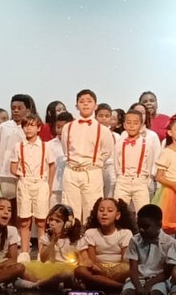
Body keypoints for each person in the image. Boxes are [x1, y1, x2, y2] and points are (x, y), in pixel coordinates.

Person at [61, 89, 114, 226]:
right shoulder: (68, 127)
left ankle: (89, 237)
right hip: (72, 171)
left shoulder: (103, 130)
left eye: (89, 101)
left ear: (95, 106)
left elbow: (106, 152)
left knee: (91, 208)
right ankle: (73, 237)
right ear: (76, 105)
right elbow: (65, 149)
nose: (85, 104)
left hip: (91, 172)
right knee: (71, 210)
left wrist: (93, 163)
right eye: (82, 101)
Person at [13, 115, 56, 254]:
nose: (28, 128)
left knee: (41, 221)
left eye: (32, 125)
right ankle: (24, 252)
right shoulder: (18, 146)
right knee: (24, 221)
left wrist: (49, 185)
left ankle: (41, 253)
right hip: (25, 183)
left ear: (38, 128)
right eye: (26, 126)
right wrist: (21, 175)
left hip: (41, 183)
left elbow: (52, 166)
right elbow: (13, 167)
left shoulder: (46, 146)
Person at [74, 197, 134, 292]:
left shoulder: (125, 233)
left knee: (131, 269)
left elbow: (125, 261)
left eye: (109, 210)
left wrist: (112, 270)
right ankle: (119, 287)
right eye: (101, 210)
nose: (104, 213)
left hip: (119, 270)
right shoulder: (91, 233)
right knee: (80, 270)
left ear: (117, 215)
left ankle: (103, 283)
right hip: (98, 269)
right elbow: (92, 261)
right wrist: (99, 269)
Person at [23, 203, 81, 289]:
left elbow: (81, 260)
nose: (52, 223)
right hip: (51, 268)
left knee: (66, 273)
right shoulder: (47, 238)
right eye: (51, 219)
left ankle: (38, 285)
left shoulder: (75, 240)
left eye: (57, 221)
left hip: (68, 270)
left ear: (67, 224)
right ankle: (46, 284)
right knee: (22, 268)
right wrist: (52, 242)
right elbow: (43, 259)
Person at [113, 109, 157, 216]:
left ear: (141, 124)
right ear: (124, 125)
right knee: (118, 212)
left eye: (136, 123)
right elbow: (116, 164)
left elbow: (150, 163)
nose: (132, 126)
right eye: (129, 123)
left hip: (140, 182)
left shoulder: (147, 144)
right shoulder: (119, 144)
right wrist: (120, 177)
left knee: (144, 213)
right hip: (123, 182)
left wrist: (145, 180)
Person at [0, 94, 37, 202]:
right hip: (5, 172)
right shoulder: (4, 126)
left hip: (24, 173)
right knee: (6, 201)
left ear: (28, 110)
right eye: (13, 108)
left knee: (23, 202)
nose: (16, 111)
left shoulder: (30, 127)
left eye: (19, 108)